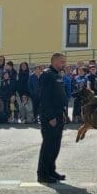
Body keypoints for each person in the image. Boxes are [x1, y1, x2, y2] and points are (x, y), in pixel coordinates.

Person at [37, 53, 68, 184]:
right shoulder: (47, 74)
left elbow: (60, 95)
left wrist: (63, 112)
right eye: (62, 61)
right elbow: (45, 97)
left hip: (58, 114)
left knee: (55, 145)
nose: (64, 64)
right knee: (48, 145)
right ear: (54, 61)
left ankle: (51, 170)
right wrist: (50, 116)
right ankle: (43, 174)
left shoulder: (57, 75)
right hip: (50, 116)